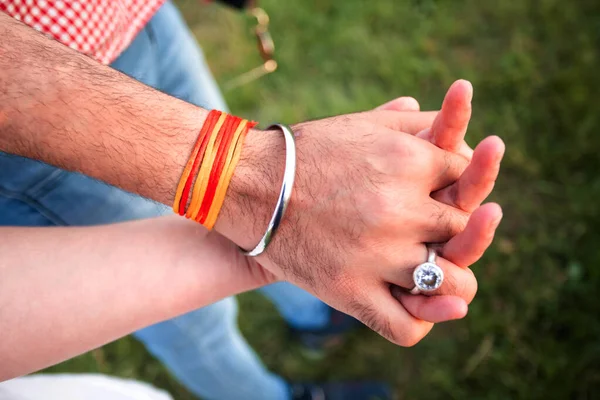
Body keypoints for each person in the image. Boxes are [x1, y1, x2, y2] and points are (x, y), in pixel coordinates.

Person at [0, 2, 504, 400]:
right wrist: (253, 176)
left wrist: (270, 228)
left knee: (244, 224)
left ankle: (312, 314)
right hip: (32, 129)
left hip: (132, 18)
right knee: (189, 318)